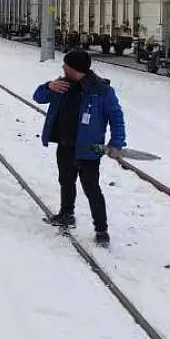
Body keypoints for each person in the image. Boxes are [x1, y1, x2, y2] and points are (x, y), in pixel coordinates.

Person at [32, 49, 126, 247]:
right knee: (66, 181)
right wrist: (49, 86)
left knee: (92, 189)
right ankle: (67, 214)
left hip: (89, 149)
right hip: (65, 144)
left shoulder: (101, 90)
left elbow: (116, 117)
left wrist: (117, 142)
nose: (62, 68)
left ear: (75, 69)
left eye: (66, 65)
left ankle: (102, 230)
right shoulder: (61, 84)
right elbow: (38, 97)